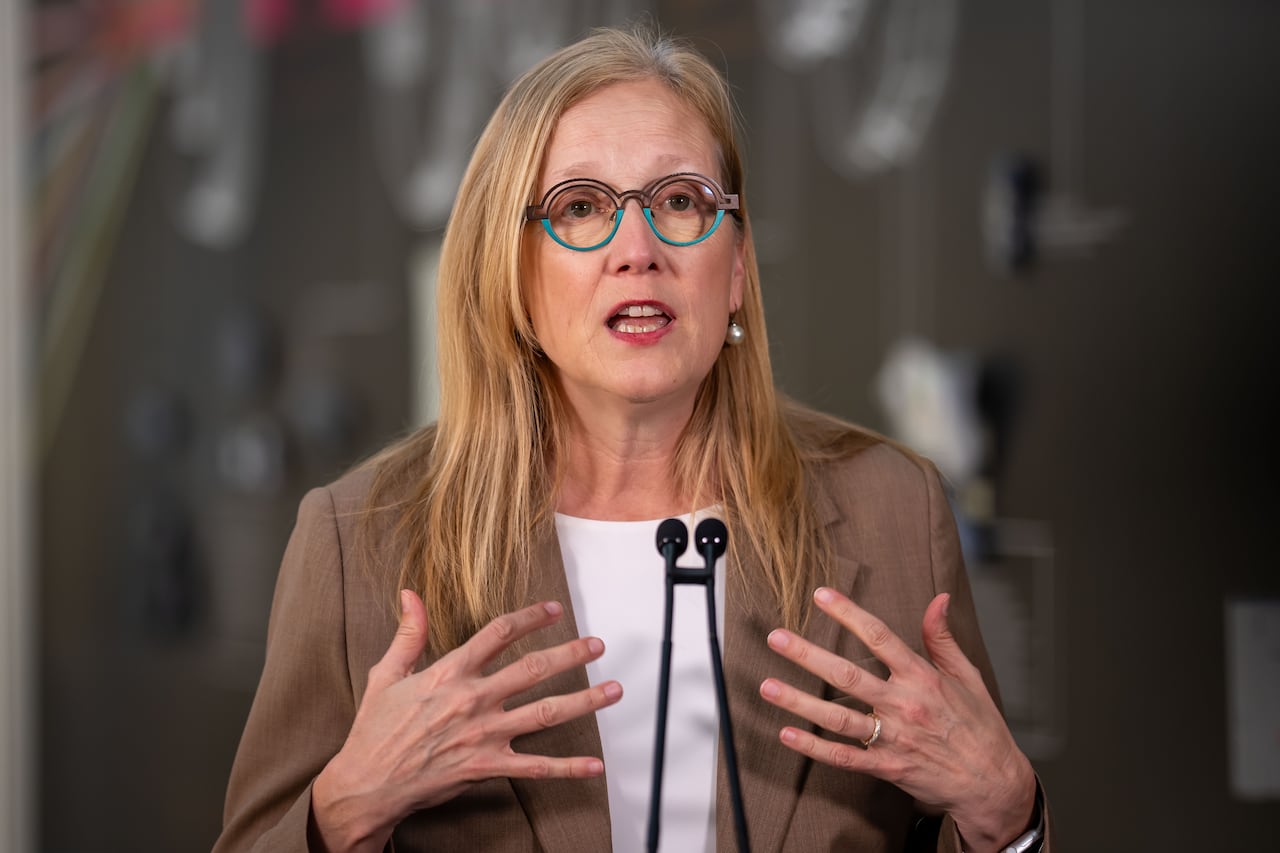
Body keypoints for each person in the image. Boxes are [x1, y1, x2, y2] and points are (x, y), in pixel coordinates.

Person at [214, 25, 1050, 853]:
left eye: (679, 201)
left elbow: (983, 823)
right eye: (582, 208)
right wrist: (342, 812)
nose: (638, 250)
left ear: (737, 266)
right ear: (511, 273)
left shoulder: (893, 510)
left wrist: (1006, 815)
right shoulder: (357, 539)